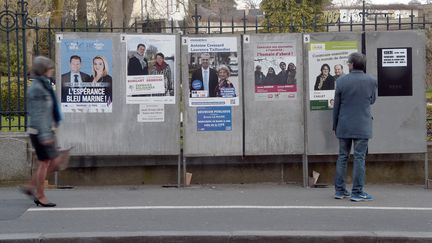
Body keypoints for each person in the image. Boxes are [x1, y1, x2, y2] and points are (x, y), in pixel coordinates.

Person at [19, 56, 71, 207]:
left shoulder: (44, 85)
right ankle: (40, 195)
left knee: (50, 162)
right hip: (39, 132)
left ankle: (30, 188)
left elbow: (46, 110)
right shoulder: (37, 89)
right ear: (43, 70)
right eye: (50, 68)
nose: (52, 70)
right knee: (47, 163)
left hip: (45, 129)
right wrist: (45, 135)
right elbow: (37, 114)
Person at [332, 52, 377, 202]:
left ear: (351, 65)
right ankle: (357, 192)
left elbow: (336, 106)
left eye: (348, 63)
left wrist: (335, 125)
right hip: (362, 126)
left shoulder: (341, 81)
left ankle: (340, 191)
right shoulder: (371, 80)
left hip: (344, 125)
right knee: (359, 158)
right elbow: (372, 100)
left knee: (342, 157)